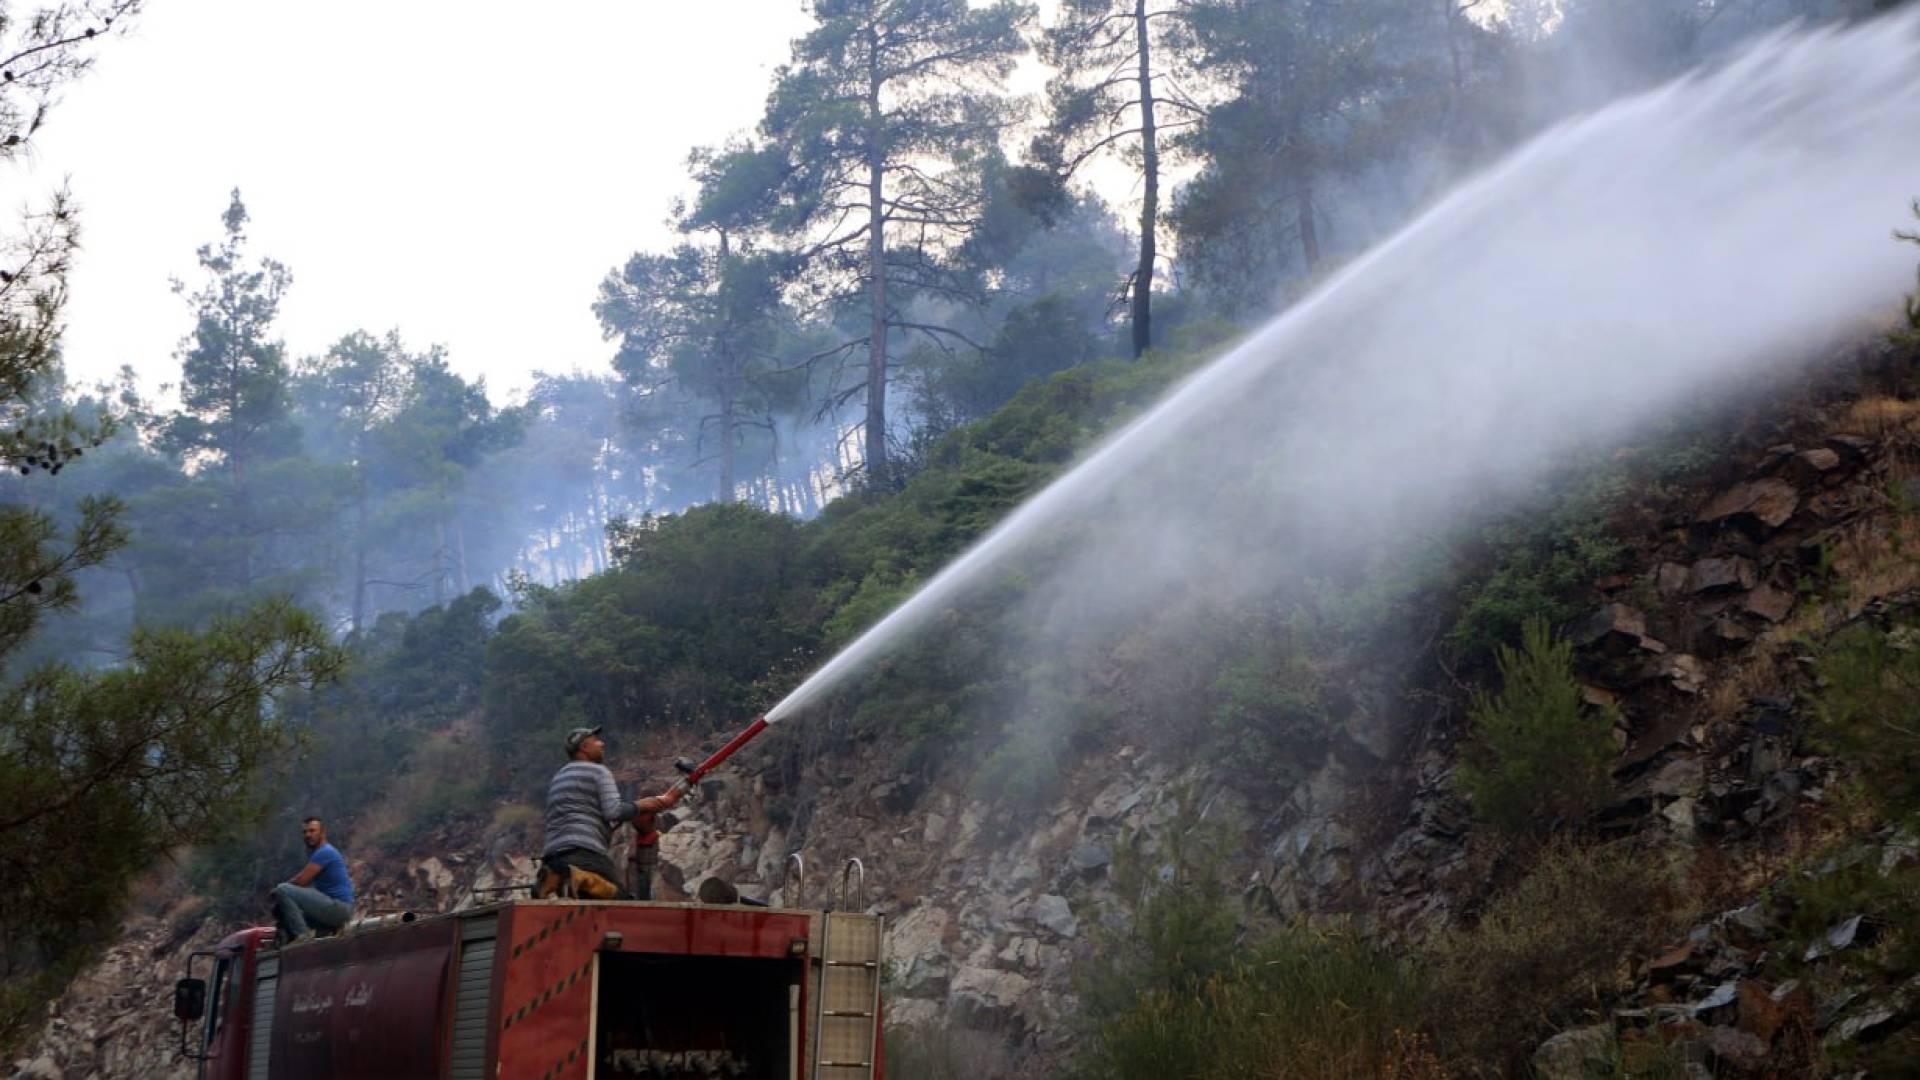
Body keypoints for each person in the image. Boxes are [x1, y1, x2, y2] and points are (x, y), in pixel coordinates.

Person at [540, 726, 682, 900]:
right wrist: (643, 805)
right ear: (584, 747)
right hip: (584, 854)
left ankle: (556, 876)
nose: (602, 744)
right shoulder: (598, 771)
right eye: (596, 741)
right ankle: (582, 877)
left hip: (553, 856)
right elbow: (613, 811)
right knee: (622, 903)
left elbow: (582, 812)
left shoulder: (559, 777)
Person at [271, 817, 354, 944]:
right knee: (289, 920)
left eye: (312, 831)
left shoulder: (325, 852)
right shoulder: (319, 853)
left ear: (323, 833)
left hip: (338, 908)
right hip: (332, 909)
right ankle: (320, 934)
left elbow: (301, 881)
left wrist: (276, 891)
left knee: (283, 889)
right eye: (305, 832)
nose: (308, 835)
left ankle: (303, 939)